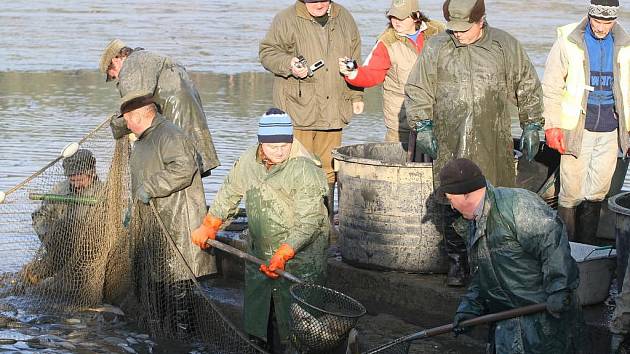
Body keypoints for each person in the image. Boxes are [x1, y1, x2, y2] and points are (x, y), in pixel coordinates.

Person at [404, 0, 544, 286]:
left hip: (493, 137)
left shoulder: (505, 45)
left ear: (481, 20)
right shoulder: (436, 47)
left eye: (464, 29)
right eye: (453, 29)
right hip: (449, 136)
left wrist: (532, 123)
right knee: (452, 198)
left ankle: (492, 260)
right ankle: (457, 261)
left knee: (496, 199)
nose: (458, 34)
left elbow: (527, 84)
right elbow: (418, 88)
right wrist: (422, 124)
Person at [191, 108, 329, 353]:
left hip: (301, 257)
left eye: (284, 145)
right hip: (260, 254)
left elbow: (310, 221)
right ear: (260, 143)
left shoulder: (305, 168)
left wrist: (285, 252)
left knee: (298, 325)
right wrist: (211, 224)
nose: (278, 150)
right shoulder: (248, 161)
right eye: (272, 145)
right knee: (260, 318)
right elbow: (230, 191)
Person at [440, 158, 581, 353]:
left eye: (450, 199)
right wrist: (469, 308)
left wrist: (559, 287)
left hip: (544, 320)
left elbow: (553, 242)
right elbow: (483, 276)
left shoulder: (516, 205)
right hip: (506, 326)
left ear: (465, 194)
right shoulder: (473, 225)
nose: (451, 207)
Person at [121, 90, 216, 339]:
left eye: (127, 118)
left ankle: (181, 341)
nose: (126, 124)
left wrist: (150, 187)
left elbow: (185, 168)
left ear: (141, 115)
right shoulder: (144, 137)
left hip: (177, 223)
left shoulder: (170, 135)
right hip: (157, 223)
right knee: (159, 285)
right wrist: (132, 208)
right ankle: (164, 337)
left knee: (178, 286)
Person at [259, 0, 364, 223]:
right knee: (297, 167)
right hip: (298, 109)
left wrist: (357, 94)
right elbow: (267, 53)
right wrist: (289, 64)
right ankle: (294, 222)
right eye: (312, 1)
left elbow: (356, 60)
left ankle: (324, 224)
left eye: (322, 0)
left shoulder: (344, 18)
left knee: (329, 170)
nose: (318, 4)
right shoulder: (285, 19)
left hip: (334, 110)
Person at [542, 0, 629, 245]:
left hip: (611, 128)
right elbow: (551, 86)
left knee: (599, 190)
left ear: (615, 20)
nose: (601, 28)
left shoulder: (626, 44)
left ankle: (588, 246)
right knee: (570, 191)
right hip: (576, 127)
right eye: (597, 21)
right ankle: (566, 246)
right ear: (589, 15)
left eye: (608, 22)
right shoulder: (568, 41)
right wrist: (552, 125)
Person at [99, 39, 220, 177]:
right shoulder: (151, 57)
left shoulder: (130, 66)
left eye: (112, 73)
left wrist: (117, 125)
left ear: (116, 59)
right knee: (190, 171)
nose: (116, 77)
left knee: (176, 173)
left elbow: (134, 108)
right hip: (194, 122)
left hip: (174, 121)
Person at [338, 0, 444, 143]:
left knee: (439, 163)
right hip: (402, 122)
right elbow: (372, 73)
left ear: (416, 16)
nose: (396, 22)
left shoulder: (438, 31)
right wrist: (352, 74)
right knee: (398, 162)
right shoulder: (386, 42)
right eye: (392, 17)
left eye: (401, 17)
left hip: (438, 117)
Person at [26, 149, 106, 303]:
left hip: (89, 257)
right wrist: (49, 239)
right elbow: (39, 217)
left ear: (92, 173)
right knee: (32, 280)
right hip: (58, 254)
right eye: (72, 179)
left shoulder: (104, 192)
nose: (76, 185)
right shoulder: (60, 189)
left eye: (80, 180)